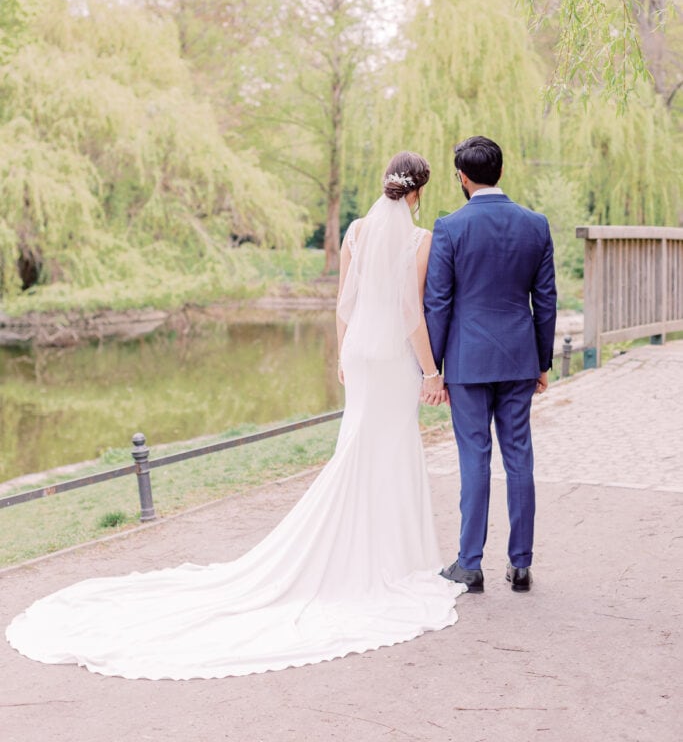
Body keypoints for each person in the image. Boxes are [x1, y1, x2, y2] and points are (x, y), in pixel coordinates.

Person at [5, 151, 465, 680]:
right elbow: (411, 312)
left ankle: (372, 548)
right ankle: (391, 557)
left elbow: (343, 303)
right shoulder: (419, 240)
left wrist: (341, 356)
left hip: (360, 352)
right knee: (386, 447)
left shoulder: (357, 233)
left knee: (358, 445)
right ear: (418, 192)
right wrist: (431, 372)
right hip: (390, 359)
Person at [422, 136, 557, 593]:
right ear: (500, 171)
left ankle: (469, 563)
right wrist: (542, 361)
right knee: (519, 457)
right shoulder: (536, 224)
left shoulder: (450, 227)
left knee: (474, 459)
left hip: (467, 362)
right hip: (520, 358)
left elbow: (438, 302)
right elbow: (546, 300)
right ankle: (520, 565)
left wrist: (434, 369)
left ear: (462, 177)